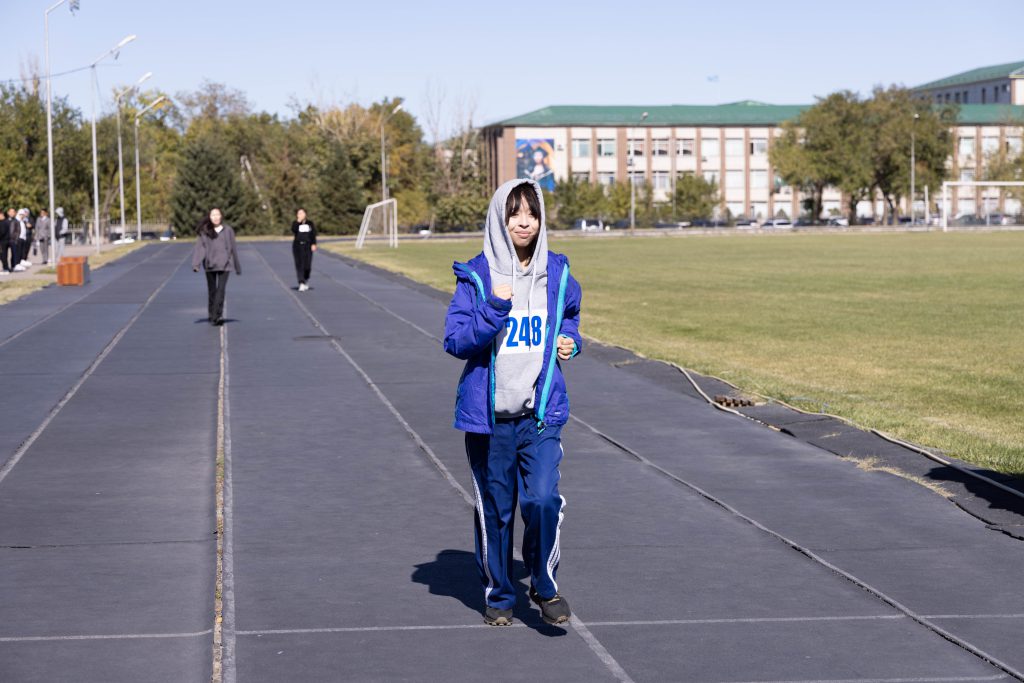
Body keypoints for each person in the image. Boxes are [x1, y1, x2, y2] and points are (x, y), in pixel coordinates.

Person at [443, 179, 583, 627]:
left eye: (532, 213)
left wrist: (570, 340)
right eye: (514, 213)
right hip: (491, 422)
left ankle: (543, 584)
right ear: (498, 219)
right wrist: (493, 309)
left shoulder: (557, 273)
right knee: (497, 511)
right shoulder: (477, 276)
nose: (525, 222)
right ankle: (500, 595)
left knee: (542, 500)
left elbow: (570, 316)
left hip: (539, 416)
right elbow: (455, 340)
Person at [191, 208, 241, 326]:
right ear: (209, 217)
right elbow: (200, 248)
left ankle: (217, 315)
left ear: (221, 216)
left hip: (225, 265)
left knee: (221, 290)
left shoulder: (228, 230)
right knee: (212, 290)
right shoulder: (205, 231)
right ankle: (211, 313)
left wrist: (237, 265)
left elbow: (233, 247)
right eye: (213, 215)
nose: (215, 217)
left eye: (217, 214)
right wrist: (196, 264)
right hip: (210, 265)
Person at [290, 208, 317, 291]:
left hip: (308, 246)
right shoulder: (295, 223)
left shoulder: (310, 223)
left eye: (302, 213)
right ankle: (301, 282)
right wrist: (298, 221)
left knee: (307, 265)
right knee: (299, 264)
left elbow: (313, 234)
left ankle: (306, 279)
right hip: (298, 246)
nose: (300, 215)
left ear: (305, 214)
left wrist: (313, 243)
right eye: (299, 213)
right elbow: (293, 230)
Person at [0, 208, 13, 274]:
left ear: (1, 214)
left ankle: (6, 268)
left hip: (3, 241)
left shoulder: (4, 222)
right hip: (5, 241)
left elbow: (2, 232)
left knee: (3, 255)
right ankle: (6, 267)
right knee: (3, 255)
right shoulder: (6, 221)